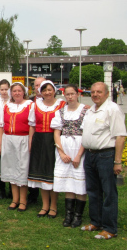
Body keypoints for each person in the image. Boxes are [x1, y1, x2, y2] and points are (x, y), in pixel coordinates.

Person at [80, 82, 127, 240]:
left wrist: (117, 161)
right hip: (90, 154)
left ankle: (110, 228)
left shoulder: (112, 109)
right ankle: (96, 222)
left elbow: (120, 135)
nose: (95, 94)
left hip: (105, 155)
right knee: (93, 191)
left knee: (109, 192)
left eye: (99, 92)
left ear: (107, 94)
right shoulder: (91, 110)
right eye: (92, 92)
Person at [51, 84, 89, 227]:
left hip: (79, 148)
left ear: (77, 94)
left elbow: (86, 134)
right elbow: (56, 133)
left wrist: (79, 155)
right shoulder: (60, 112)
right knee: (68, 182)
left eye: (72, 94)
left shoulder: (85, 111)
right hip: (64, 148)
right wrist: (61, 152)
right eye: (67, 94)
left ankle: (78, 216)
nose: (70, 97)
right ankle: (69, 215)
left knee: (79, 181)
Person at [28, 80, 66, 218]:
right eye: (44, 90)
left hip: (53, 140)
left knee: (51, 173)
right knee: (41, 173)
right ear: (41, 92)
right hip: (39, 139)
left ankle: (54, 206)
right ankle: (44, 205)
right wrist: (31, 142)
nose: (47, 92)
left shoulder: (61, 104)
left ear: (54, 90)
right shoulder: (36, 105)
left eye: (50, 89)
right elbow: (32, 125)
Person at [0, 82, 34, 212]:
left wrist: (30, 141)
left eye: (19, 91)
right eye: (14, 91)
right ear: (11, 93)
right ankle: (15, 199)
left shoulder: (30, 105)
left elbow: (32, 125)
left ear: (23, 92)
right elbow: (2, 125)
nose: (17, 93)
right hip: (8, 139)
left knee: (22, 169)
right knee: (11, 168)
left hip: (23, 139)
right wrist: (1, 142)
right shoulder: (7, 105)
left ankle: (23, 201)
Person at [27, 76, 45, 205]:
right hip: (33, 136)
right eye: (37, 85)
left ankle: (47, 193)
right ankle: (32, 195)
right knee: (31, 165)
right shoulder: (29, 101)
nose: (38, 88)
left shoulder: (55, 102)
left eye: (41, 85)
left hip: (47, 137)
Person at [0, 79, 11, 199]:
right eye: (2, 89)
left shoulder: (13, 102)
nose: (4, 92)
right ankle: (2, 190)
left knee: (10, 162)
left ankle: (11, 189)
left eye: (6, 89)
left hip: (10, 134)